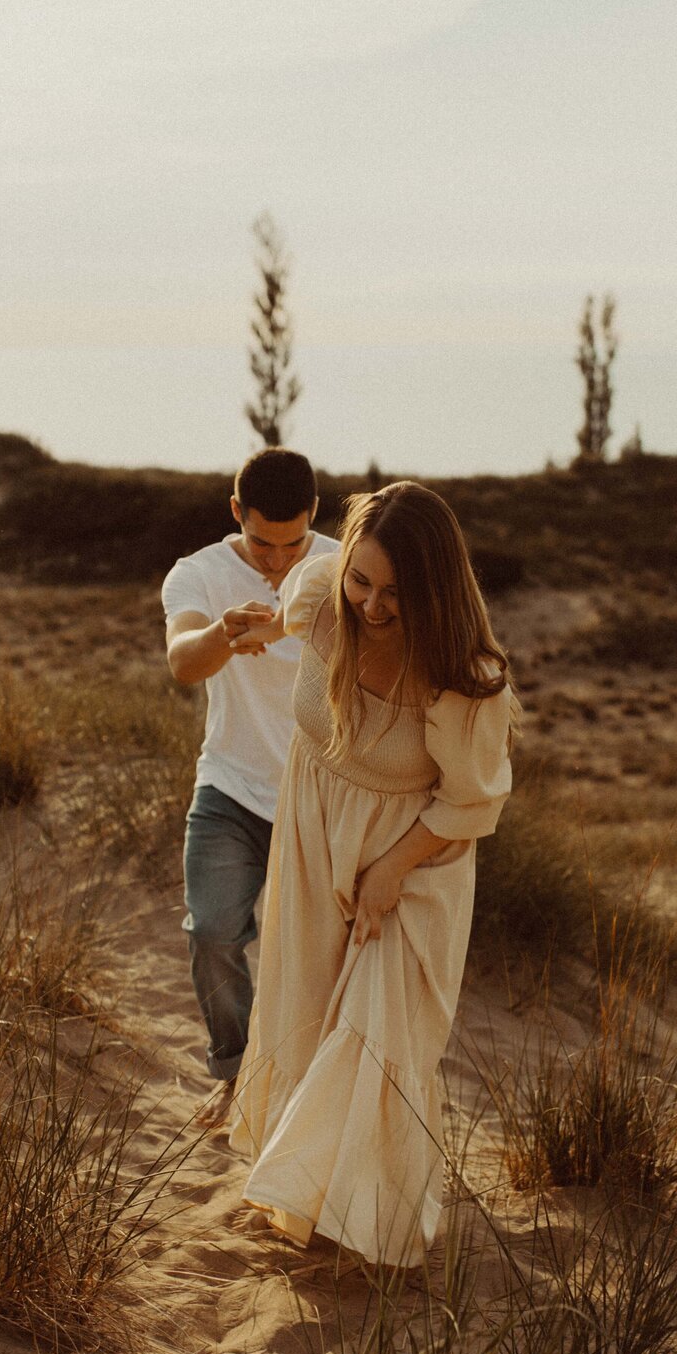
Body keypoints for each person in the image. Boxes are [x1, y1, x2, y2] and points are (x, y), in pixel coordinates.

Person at [226, 481, 518, 1268]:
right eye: (362, 580)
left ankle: (369, 1228)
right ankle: (302, 1203)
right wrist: (249, 628)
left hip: (415, 857)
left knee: (374, 1031)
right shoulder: (320, 594)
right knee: (305, 1007)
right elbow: (282, 617)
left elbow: (473, 800)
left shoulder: (464, 675)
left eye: (396, 593)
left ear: (434, 588)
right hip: (313, 832)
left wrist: (390, 869)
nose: (372, 605)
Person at [162, 448, 341, 1106]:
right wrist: (225, 634)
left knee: (319, 958)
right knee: (212, 931)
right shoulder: (199, 573)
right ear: (237, 513)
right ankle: (235, 1072)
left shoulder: (344, 566)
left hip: (321, 795)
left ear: (314, 517)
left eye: (292, 542)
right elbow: (183, 661)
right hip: (230, 789)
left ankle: (309, 1089)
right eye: (263, 544)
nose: (277, 561)